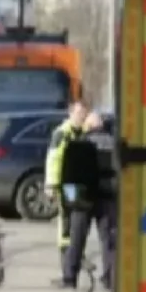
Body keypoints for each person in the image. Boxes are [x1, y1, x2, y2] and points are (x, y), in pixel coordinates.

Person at [59, 112, 117, 289]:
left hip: (82, 198)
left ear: (88, 127)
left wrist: (67, 202)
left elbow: (68, 174)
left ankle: (70, 276)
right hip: (108, 197)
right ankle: (110, 277)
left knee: (77, 238)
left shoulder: (78, 144)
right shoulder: (115, 144)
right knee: (108, 239)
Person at [44, 101, 87, 273]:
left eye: (83, 114)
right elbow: (53, 159)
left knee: (78, 221)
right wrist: (51, 184)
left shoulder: (82, 132)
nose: (81, 117)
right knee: (68, 220)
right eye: (78, 113)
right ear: (70, 114)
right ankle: (67, 258)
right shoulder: (62, 133)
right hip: (66, 184)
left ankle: (75, 256)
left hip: (79, 183)